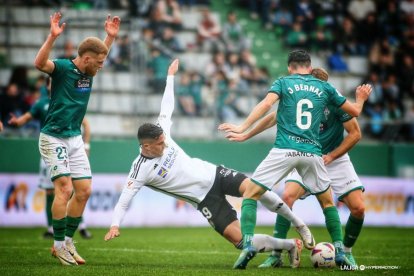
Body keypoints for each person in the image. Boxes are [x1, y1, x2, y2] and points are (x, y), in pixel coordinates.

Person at [104, 59, 316, 269]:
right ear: (147, 146)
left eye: (164, 139)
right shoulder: (140, 169)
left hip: (214, 174)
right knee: (241, 242)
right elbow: (124, 200)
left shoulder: (162, 132)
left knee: (255, 188)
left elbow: (167, 105)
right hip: (204, 200)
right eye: (160, 143)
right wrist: (115, 225)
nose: (165, 143)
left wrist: (170, 76)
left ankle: (299, 224)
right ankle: (290, 245)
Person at [218, 50, 372, 269]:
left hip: (314, 154)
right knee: (314, 200)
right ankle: (326, 251)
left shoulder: (288, 84)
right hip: (312, 153)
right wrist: (361, 99)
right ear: (309, 70)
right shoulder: (325, 90)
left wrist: (243, 128)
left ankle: (250, 244)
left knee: (251, 193)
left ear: (291, 67)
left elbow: (355, 133)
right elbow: (356, 110)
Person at [34, 12, 120, 266]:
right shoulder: (62, 68)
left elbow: (100, 53)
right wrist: (51, 37)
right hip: (53, 138)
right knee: (65, 189)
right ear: (86, 59)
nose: (102, 65)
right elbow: (39, 63)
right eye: (99, 61)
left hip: (74, 138)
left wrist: (110, 38)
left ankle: (68, 241)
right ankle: (58, 246)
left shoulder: (89, 72)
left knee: (84, 192)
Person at [8, 77, 93, 240]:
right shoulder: (41, 104)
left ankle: (78, 227)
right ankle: (51, 229)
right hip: (50, 149)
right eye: (51, 81)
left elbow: (85, 124)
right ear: (47, 86)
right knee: (51, 191)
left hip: (71, 147)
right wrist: (16, 122)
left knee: (76, 189)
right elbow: (26, 117)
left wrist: (86, 146)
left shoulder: (70, 97)